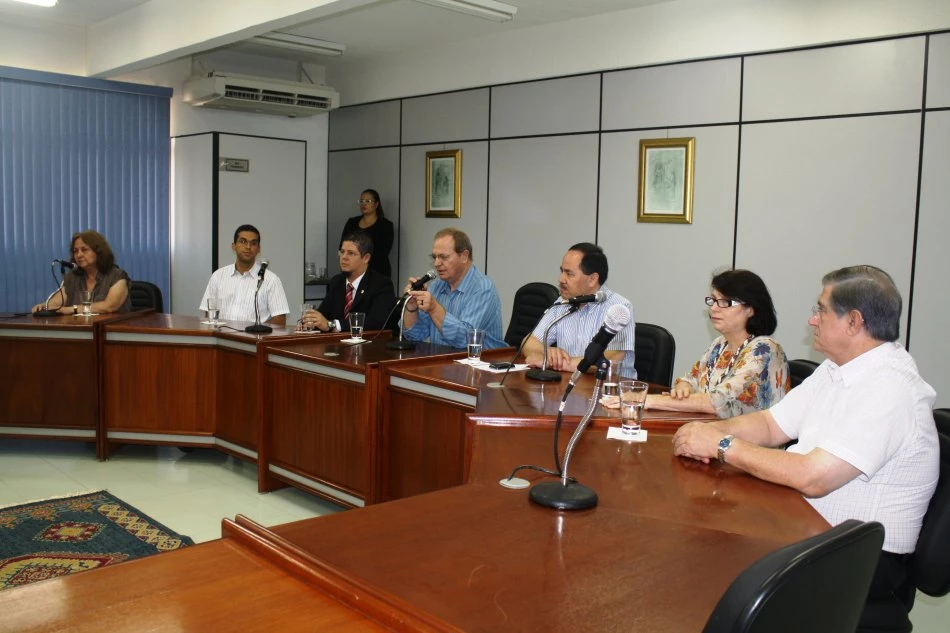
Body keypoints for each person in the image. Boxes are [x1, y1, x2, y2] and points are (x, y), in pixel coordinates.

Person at [672, 265, 939, 628]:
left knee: (714, 567)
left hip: (861, 555)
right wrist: (707, 431)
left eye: (821, 310)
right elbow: (771, 424)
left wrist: (720, 443)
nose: (812, 320)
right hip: (807, 525)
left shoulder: (892, 388)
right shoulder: (836, 369)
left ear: (853, 321)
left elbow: (814, 478)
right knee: (701, 541)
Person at [644, 269, 790, 417]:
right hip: (712, 427)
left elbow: (720, 402)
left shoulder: (765, 349)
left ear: (751, 309)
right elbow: (691, 379)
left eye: (726, 302)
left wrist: (648, 400)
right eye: (713, 300)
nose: (714, 308)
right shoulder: (720, 344)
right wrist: (684, 387)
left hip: (750, 432)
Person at [523, 243, 635, 374]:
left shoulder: (619, 308)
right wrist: (547, 353)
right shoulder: (562, 303)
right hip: (570, 382)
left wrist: (560, 363)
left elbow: (613, 358)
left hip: (609, 385)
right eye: (562, 271)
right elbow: (529, 342)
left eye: (569, 274)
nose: (561, 279)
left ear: (592, 279)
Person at [401, 228, 504, 349]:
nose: (436, 263)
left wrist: (434, 308)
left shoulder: (483, 289)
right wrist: (411, 306)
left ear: (464, 256)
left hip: (483, 359)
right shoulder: (436, 287)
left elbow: (466, 340)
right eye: (434, 257)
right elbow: (414, 336)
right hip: (443, 358)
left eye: (443, 257)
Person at [300, 232, 396, 332]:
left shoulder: (381, 284)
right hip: (336, 341)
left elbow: (375, 322)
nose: (344, 257)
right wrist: (310, 322)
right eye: (342, 252)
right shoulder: (337, 281)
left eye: (351, 253)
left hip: (367, 341)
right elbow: (323, 314)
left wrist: (332, 325)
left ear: (366, 258)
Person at [200, 224, 289, 326]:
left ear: (259, 249)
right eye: (243, 241)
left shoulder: (271, 280)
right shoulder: (218, 276)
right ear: (233, 246)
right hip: (221, 335)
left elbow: (280, 321)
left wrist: (254, 329)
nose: (248, 247)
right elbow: (208, 315)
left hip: (255, 336)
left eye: (253, 243)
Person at [32, 230, 132, 315]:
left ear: (98, 252)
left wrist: (72, 309)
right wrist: (45, 306)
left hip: (111, 328)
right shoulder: (73, 277)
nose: (79, 255)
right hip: (79, 328)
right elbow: (57, 302)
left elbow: (110, 306)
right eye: (76, 251)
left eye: (84, 250)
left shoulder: (116, 276)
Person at [340, 189, 394, 280]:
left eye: (368, 201)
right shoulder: (352, 223)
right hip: (352, 271)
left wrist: (360, 262)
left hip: (377, 272)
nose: (363, 204)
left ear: (376, 204)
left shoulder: (385, 225)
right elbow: (342, 247)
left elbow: (382, 253)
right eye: (361, 201)